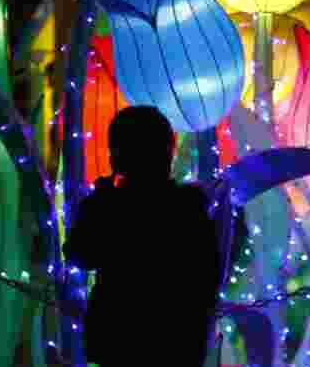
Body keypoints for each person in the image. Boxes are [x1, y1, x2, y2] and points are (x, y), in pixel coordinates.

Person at [63, 106, 222, 367]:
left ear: (119, 155)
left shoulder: (112, 206)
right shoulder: (189, 207)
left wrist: (97, 204)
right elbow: (209, 277)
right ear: (167, 152)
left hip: (119, 342)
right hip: (177, 345)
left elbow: (80, 253)